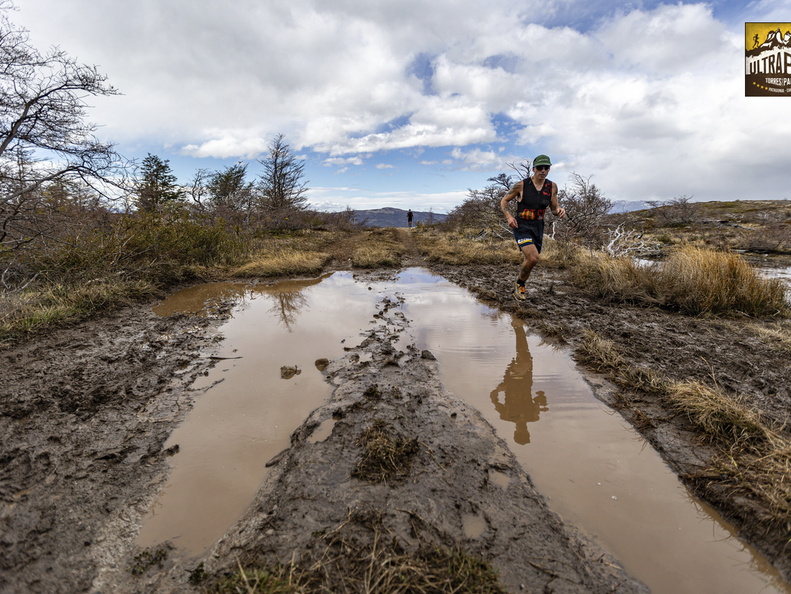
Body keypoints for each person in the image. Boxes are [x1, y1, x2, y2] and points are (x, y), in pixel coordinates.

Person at [500, 154, 566, 301]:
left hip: (538, 226)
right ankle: (520, 285)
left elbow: (554, 208)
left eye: (546, 168)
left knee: (530, 259)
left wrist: (559, 210)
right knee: (533, 258)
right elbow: (504, 200)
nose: (543, 170)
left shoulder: (552, 186)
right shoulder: (522, 185)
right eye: (540, 168)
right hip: (521, 225)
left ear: (549, 169)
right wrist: (509, 217)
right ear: (533, 169)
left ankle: (519, 283)